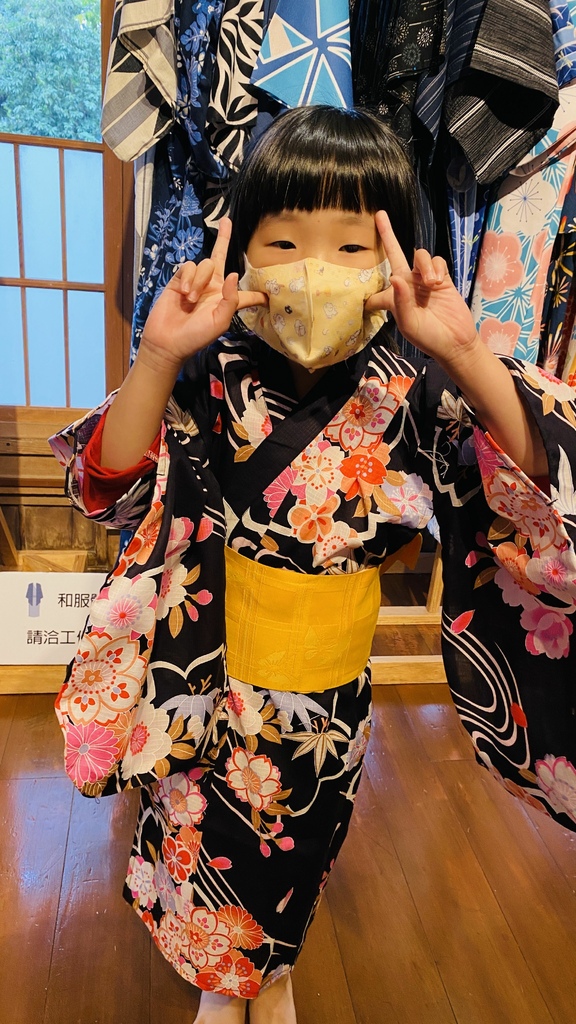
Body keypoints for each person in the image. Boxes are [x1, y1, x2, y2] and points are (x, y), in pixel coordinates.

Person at [50, 106, 576, 1024]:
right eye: (285, 242)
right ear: (243, 253)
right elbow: (113, 480)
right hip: (208, 673)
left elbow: (537, 481)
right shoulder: (207, 368)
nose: (314, 270)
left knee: (299, 843)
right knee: (199, 834)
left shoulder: (416, 383)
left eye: (349, 245)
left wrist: (462, 348)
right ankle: (221, 982)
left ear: (393, 255)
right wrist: (158, 353)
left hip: (330, 695)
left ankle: (273, 969)